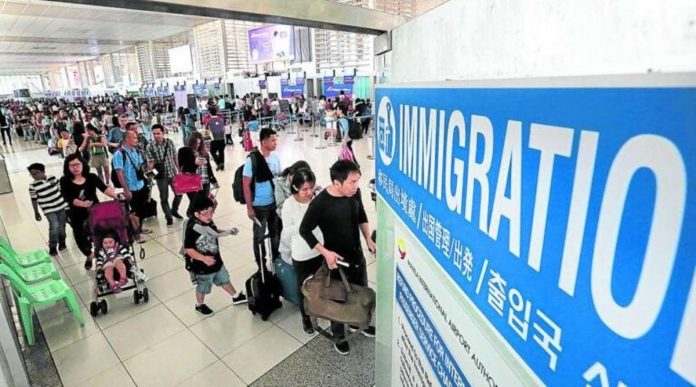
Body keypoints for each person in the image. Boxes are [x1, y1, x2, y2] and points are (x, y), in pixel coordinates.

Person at [299, 160, 377, 355]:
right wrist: (325, 252)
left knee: (359, 293)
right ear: (336, 183)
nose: (356, 186)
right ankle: (338, 335)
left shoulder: (354, 193)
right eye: (352, 182)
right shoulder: (320, 203)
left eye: (357, 181)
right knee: (337, 298)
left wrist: (368, 239)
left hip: (356, 257)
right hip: (336, 262)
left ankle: (357, 323)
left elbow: (361, 216)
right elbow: (304, 230)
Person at [184, 196, 247, 316]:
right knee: (203, 286)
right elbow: (188, 249)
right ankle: (199, 305)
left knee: (224, 279)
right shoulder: (192, 228)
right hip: (202, 265)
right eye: (205, 213)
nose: (209, 216)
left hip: (216, 260)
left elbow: (214, 231)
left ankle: (236, 296)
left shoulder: (208, 221)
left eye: (211, 212)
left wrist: (227, 231)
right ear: (196, 214)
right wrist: (203, 258)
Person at [280, 169, 323, 334]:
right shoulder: (289, 204)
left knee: (321, 284)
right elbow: (286, 232)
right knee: (303, 287)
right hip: (302, 254)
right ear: (295, 187)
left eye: (311, 187)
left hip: (320, 250)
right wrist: (304, 225)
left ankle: (320, 311)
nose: (309, 192)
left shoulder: (317, 198)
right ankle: (306, 318)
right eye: (304, 189)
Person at [60, 153, 118, 270]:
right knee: (80, 239)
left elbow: (104, 188)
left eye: (77, 164)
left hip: (95, 212)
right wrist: (83, 204)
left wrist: (116, 195)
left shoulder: (91, 177)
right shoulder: (64, 180)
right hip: (77, 215)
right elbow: (68, 198)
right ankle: (89, 255)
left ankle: (103, 257)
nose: (75, 168)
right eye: (72, 166)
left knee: (101, 236)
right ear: (67, 167)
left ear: (83, 164)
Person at [242, 128, 281, 270]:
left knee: (275, 234)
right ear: (264, 141)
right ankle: (261, 266)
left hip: (274, 203)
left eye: (275, 139)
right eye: (272, 140)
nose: (275, 142)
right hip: (259, 206)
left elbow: (279, 179)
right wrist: (249, 207)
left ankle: (276, 260)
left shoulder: (276, 158)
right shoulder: (252, 160)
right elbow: (246, 185)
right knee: (258, 237)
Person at [112, 130, 151, 240]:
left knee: (142, 209)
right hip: (130, 187)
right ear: (126, 139)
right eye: (134, 137)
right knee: (133, 212)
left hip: (140, 184)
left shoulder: (136, 151)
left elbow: (140, 167)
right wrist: (126, 189)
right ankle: (135, 234)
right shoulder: (119, 154)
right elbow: (119, 173)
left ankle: (140, 227)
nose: (136, 139)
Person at [28, 163, 68, 256]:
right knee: (54, 226)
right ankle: (53, 246)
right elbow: (34, 199)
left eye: (36, 173)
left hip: (61, 206)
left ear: (43, 171)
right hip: (48, 209)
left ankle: (62, 242)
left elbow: (61, 190)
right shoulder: (33, 186)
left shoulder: (52, 178)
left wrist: (67, 203)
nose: (34, 176)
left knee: (62, 227)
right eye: (32, 174)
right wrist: (36, 212)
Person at [146, 124, 182, 226]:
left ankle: (174, 210)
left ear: (163, 133)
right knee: (164, 197)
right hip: (161, 176)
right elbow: (150, 162)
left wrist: (179, 170)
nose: (156, 136)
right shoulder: (150, 146)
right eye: (154, 134)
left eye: (158, 133)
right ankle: (168, 216)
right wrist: (150, 174)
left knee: (179, 193)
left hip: (172, 173)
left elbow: (175, 156)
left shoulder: (169, 142)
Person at [178, 131, 218, 217]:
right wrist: (195, 163)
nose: (198, 145)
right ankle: (191, 215)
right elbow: (183, 167)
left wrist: (213, 180)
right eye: (196, 143)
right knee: (195, 201)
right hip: (191, 181)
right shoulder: (184, 151)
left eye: (200, 143)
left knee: (203, 202)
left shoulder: (204, 153)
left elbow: (209, 168)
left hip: (205, 180)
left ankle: (201, 218)